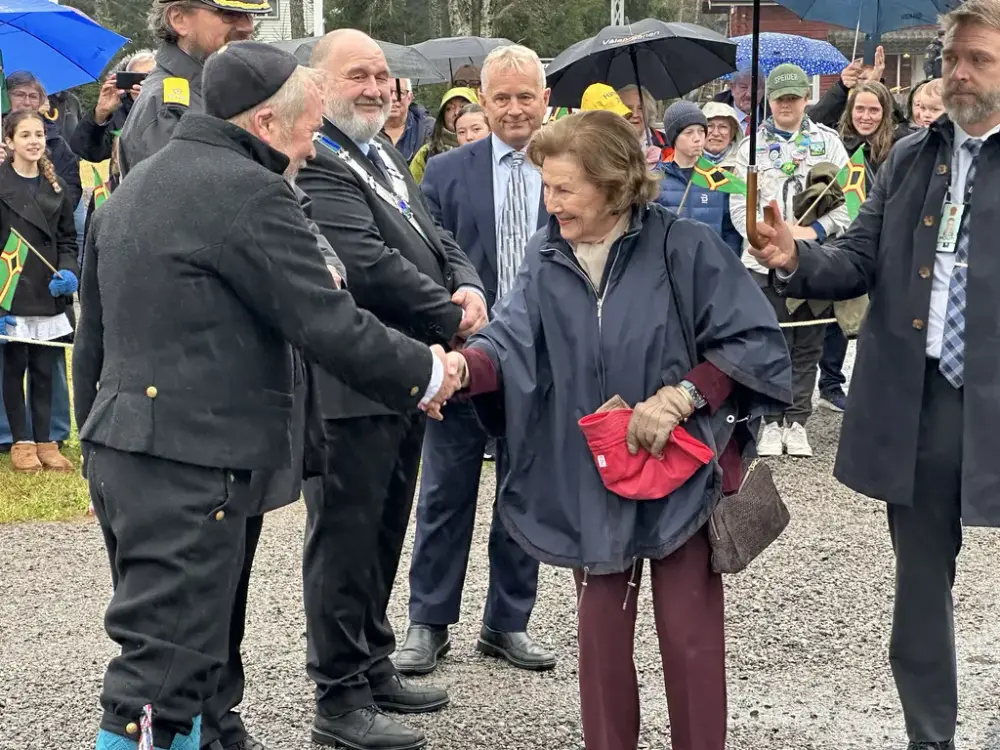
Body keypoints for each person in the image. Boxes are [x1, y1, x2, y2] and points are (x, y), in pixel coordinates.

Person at [76, 41, 462, 750]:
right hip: (189, 461)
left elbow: (91, 343)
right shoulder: (248, 191)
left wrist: (91, 437)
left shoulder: (138, 182)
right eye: (311, 128)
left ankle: (211, 735)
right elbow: (327, 322)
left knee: (190, 650)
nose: (314, 149)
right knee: (157, 674)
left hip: (128, 449)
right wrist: (433, 373)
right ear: (264, 124)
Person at [448, 109, 791, 750]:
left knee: (688, 637)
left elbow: (751, 340)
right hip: (594, 469)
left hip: (681, 470)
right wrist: (463, 369)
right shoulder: (546, 254)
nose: (550, 204)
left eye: (564, 188)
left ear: (612, 184)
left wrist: (684, 394)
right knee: (601, 634)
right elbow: (513, 337)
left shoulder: (684, 247)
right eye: (545, 187)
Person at [748, 2, 1000, 747]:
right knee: (921, 582)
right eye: (952, 56)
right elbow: (857, 259)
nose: (957, 71)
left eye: (978, 59)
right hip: (918, 400)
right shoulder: (910, 157)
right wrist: (793, 256)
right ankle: (930, 734)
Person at [295, 29, 487, 750]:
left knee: (382, 532)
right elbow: (365, 262)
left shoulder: (380, 154)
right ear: (318, 86)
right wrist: (450, 313)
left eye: (383, 74)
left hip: (403, 377)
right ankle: (338, 698)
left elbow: (433, 232)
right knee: (344, 543)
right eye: (358, 75)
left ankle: (371, 663)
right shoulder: (319, 157)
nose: (376, 87)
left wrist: (466, 283)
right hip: (349, 386)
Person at [399, 43, 556, 678]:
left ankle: (507, 622)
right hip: (466, 357)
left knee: (525, 490)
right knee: (444, 489)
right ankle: (427, 622)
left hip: (545, 358)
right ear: (481, 103)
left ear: (546, 100)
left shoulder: (572, 164)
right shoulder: (443, 174)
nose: (515, 109)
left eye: (526, 96)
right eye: (502, 98)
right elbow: (424, 262)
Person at [730, 63, 851, 458]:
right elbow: (737, 203)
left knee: (807, 340)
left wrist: (808, 235)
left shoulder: (829, 143)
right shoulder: (749, 146)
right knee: (771, 340)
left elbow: (849, 203)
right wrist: (759, 234)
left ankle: (797, 420)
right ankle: (768, 420)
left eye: (794, 98)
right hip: (762, 261)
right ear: (770, 100)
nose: (786, 105)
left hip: (813, 259)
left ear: (805, 99)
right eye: (780, 98)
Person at [817, 80, 913, 413]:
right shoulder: (837, 142)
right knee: (839, 316)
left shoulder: (901, 144)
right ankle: (829, 382)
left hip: (890, 238)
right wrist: (842, 87)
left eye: (874, 109)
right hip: (848, 237)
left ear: (886, 112)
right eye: (860, 108)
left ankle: (882, 385)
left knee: (885, 315)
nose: (866, 116)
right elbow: (815, 115)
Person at [0, 110, 78, 473]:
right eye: (25, 135)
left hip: (48, 292)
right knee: (14, 368)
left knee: (46, 370)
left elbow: (67, 239)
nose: (34, 141)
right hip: (13, 288)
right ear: (10, 141)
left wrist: (69, 270)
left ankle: (47, 441)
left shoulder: (57, 186)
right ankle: (21, 441)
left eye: (39, 135)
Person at [117, 0, 266, 178]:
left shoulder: (215, 90)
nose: (247, 26)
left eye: (251, 15)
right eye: (229, 13)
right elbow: (179, 202)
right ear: (179, 19)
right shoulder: (168, 109)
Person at [655, 101, 742, 256]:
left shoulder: (717, 178)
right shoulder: (656, 179)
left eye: (701, 131)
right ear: (674, 137)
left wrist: (728, 264)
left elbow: (730, 230)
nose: (697, 138)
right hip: (670, 266)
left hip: (711, 266)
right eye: (688, 133)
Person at [70, 50, 157, 192]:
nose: (140, 83)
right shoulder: (119, 110)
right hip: (122, 192)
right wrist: (100, 113)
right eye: (134, 77)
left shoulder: (172, 108)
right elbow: (88, 151)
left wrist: (152, 103)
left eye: (147, 77)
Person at [409, 87, 478, 183]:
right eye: (449, 108)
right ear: (442, 115)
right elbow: (411, 188)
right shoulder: (427, 152)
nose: (456, 113)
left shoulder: (491, 148)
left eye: (463, 107)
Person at [380, 78, 434, 162]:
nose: (393, 98)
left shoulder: (427, 129)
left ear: (410, 97)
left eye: (400, 92)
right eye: (388, 92)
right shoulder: (366, 130)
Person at [617, 84, 670, 166]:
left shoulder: (666, 143)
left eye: (640, 108)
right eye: (628, 108)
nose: (635, 114)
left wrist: (661, 161)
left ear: (649, 111)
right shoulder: (608, 145)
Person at [713, 65, 767, 136]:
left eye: (755, 88)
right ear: (732, 88)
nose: (749, 94)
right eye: (743, 87)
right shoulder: (713, 114)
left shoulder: (774, 116)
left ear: (763, 90)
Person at [701, 101, 743, 168]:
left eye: (723, 127)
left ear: (733, 132)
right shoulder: (686, 161)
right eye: (709, 126)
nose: (716, 133)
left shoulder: (743, 163)